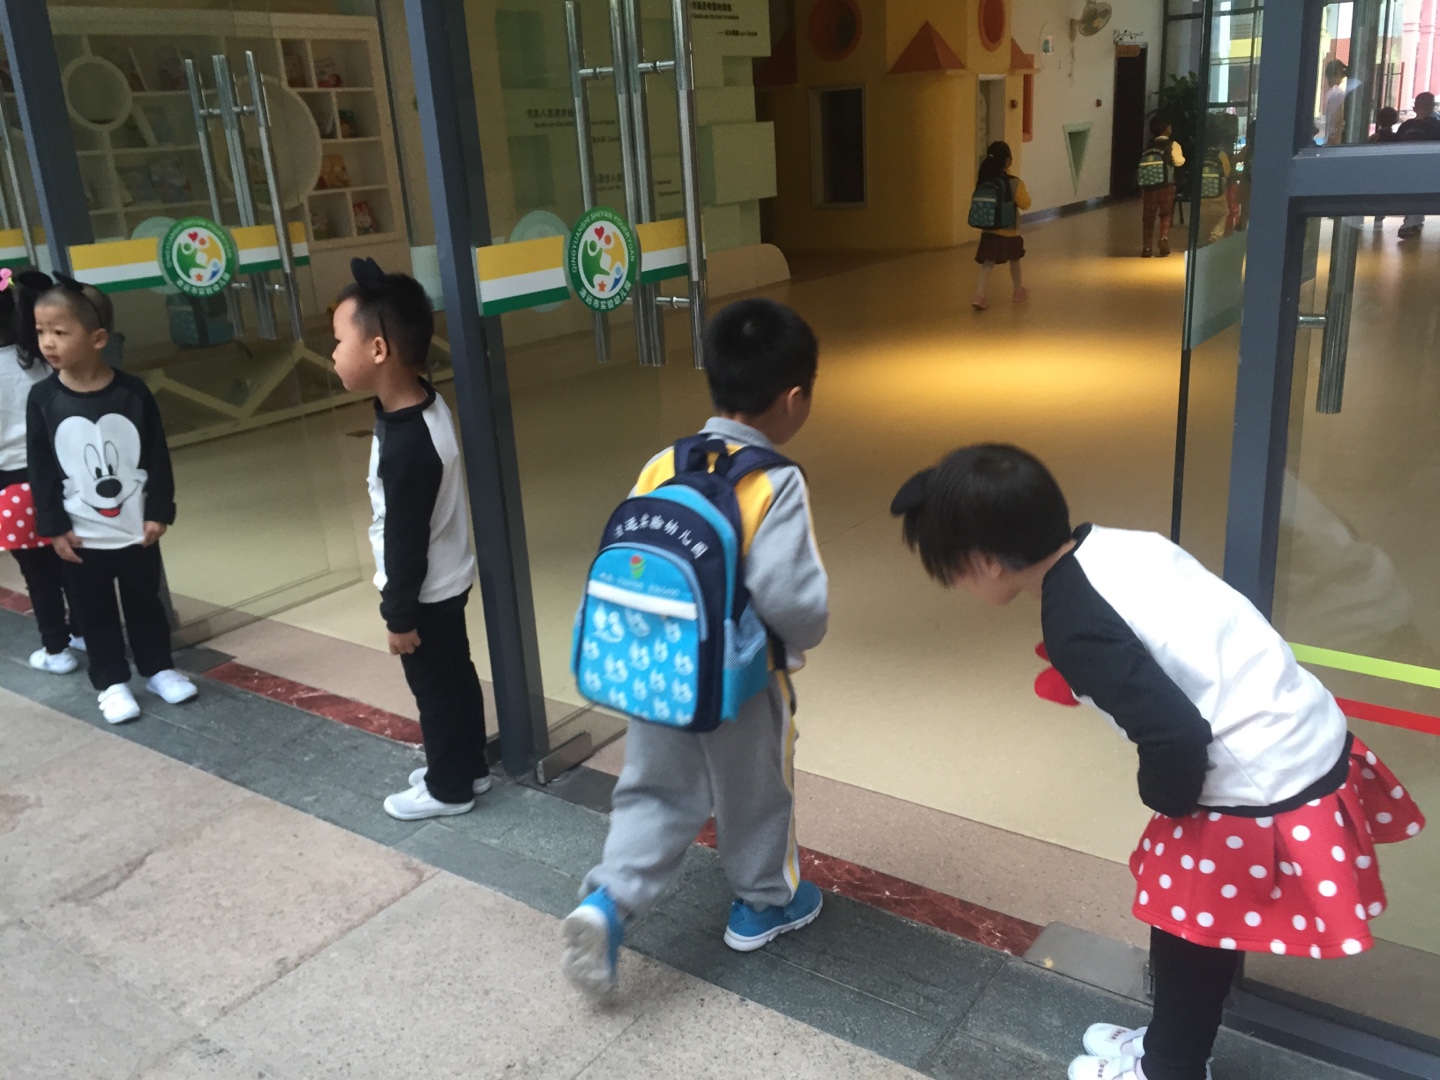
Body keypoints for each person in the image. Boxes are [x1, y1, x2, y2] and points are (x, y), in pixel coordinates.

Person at [890, 444, 1424, 1080]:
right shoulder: (1124, 545)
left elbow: (1173, 735)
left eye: (951, 570)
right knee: (1198, 931)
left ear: (983, 561)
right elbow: (1174, 635)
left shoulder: (1074, 623)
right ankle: (1169, 1044)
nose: (955, 584)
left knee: (1187, 935)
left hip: (1254, 780)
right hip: (1303, 728)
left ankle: (1170, 1066)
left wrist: (1166, 803)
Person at [562, 298, 829, 995]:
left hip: (654, 671)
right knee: (756, 792)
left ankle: (609, 901)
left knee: (653, 789)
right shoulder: (774, 482)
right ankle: (764, 904)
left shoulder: (663, 463)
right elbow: (791, 597)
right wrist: (807, 635)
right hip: (740, 683)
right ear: (794, 400)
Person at [330, 258, 490, 821]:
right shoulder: (423, 404)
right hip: (447, 579)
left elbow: (404, 538)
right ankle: (470, 765)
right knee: (456, 677)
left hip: (422, 592)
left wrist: (398, 615)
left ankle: (449, 788)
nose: (332, 354)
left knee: (436, 692)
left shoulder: (407, 448)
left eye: (338, 342)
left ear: (378, 350)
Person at [25, 274, 197, 724]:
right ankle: (111, 682)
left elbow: (156, 455)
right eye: (41, 331)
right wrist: (53, 526)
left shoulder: (132, 393)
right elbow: (41, 468)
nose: (47, 342)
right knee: (93, 611)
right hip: (81, 537)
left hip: (135, 528)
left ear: (97, 338)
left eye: (60, 331)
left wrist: (159, 510)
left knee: (145, 603)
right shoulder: (43, 398)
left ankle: (158, 668)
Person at [0, 269, 83, 673]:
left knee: (38, 576)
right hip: (59, 479)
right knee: (72, 563)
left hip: (10, 488)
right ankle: (84, 630)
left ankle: (56, 650)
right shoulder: (40, 361)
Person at [971, 140, 1031, 310]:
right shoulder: (1015, 182)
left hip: (989, 229)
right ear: (1007, 160)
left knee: (987, 263)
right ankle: (1018, 291)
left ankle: (979, 296)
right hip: (1010, 230)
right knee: (1015, 260)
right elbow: (1025, 203)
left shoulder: (984, 179)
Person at [1140, 114, 1185, 257]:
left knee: (1148, 216)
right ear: (1166, 129)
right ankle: (1163, 238)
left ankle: (1147, 248)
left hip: (1149, 186)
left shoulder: (1149, 145)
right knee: (1166, 213)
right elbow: (1179, 162)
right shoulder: (1172, 144)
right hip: (1166, 185)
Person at [1396, 92, 1440, 240]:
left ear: (1415, 107)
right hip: (1431, 170)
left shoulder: (1405, 126)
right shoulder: (1436, 126)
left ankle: (1411, 222)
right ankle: (1412, 223)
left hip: (1406, 170)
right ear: (1432, 107)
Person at [1369, 108, 1399, 229]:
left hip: (1376, 169)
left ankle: (1378, 217)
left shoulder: (1374, 138)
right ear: (1395, 120)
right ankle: (1379, 217)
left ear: (1379, 120)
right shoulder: (1396, 137)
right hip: (1389, 170)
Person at [1322, 59, 1351, 145]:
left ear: (1337, 74)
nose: (1328, 82)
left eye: (1329, 77)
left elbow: (1334, 123)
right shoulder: (1349, 87)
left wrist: (1330, 143)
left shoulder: (1336, 93)